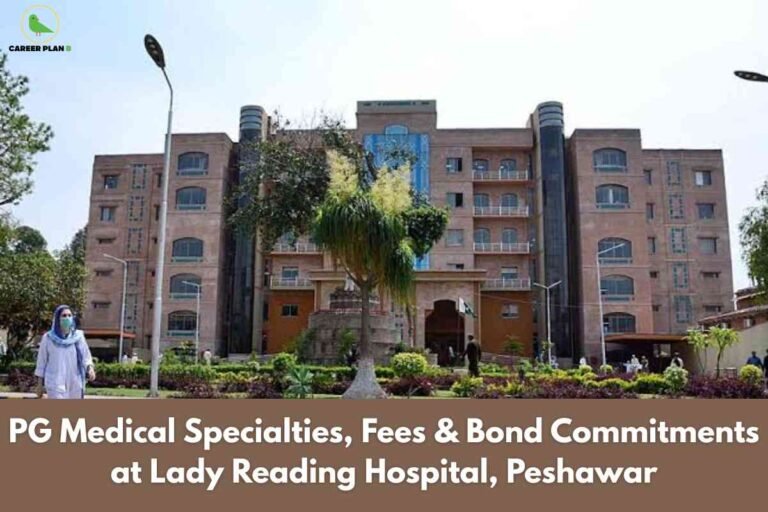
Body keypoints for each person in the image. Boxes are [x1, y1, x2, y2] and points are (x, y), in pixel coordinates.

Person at [34, 305, 95, 399]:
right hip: (55, 382)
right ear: (57, 318)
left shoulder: (78, 337)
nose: (67, 318)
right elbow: (41, 362)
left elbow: (86, 355)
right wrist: (39, 385)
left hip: (75, 382)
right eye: (64, 315)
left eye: (69, 315)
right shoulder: (48, 338)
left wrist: (90, 368)